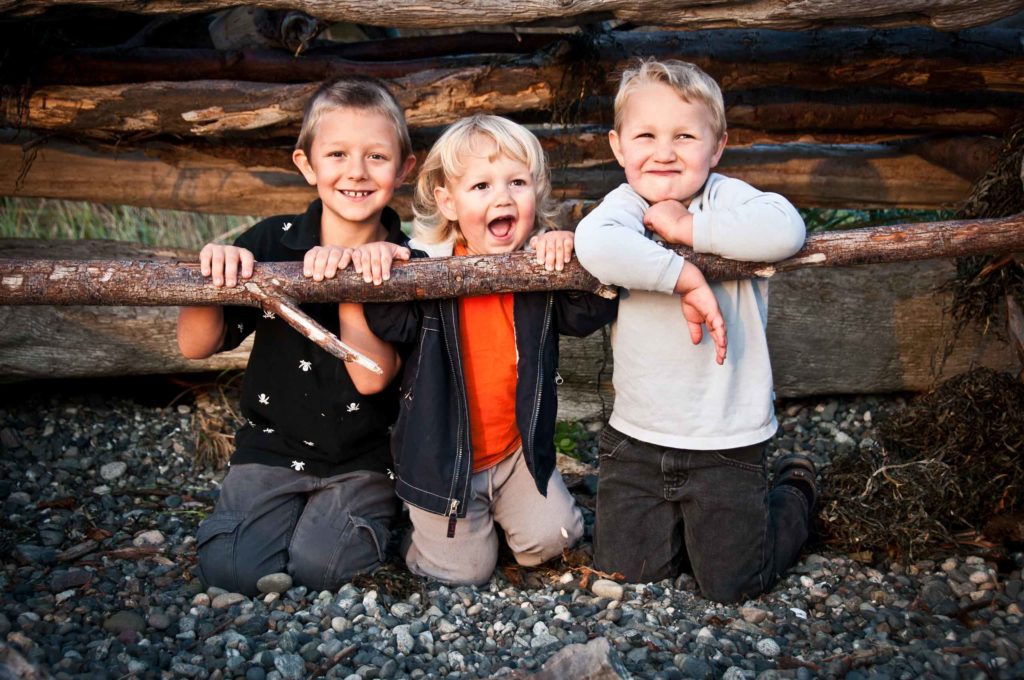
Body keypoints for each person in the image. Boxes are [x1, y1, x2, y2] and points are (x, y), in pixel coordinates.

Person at [573, 59, 816, 603]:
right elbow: (594, 245)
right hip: (635, 440)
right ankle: (684, 529)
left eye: (685, 136)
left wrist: (690, 230)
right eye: (646, 136)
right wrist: (684, 276)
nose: (664, 151)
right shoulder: (625, 207)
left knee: (733, 586)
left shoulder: (728, 200)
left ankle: (795, 493)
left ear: (717, 146)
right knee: (628, 576)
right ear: (617, 147)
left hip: (727, 440)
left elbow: (787, 230)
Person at [177, 76, 417, 596]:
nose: (356, 171)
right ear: (307, 165)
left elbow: (373, 381)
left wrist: (355, 285)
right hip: (271, 447)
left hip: (364, 460)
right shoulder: (269, 242)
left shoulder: (409, 263)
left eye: (377, 157)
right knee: (232, 571)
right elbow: (195, 345)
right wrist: (208, 277)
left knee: (322, 570)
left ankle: (366, 518)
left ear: (404, 168)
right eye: (337, 154)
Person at [362, 115, 618, 585]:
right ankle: (423, 532)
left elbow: (586, 313)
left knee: (557, 539)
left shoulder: (538, 266)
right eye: (481, 185)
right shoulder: (428, 268)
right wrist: (383, 264)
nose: (502, 197)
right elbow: (388, 321)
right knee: (463, 574)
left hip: (513, 453)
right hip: (445, 461)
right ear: (448, 202)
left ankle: (499, 518)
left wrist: (577, 254)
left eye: (516, 182)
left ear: (535, 193)